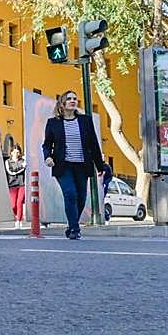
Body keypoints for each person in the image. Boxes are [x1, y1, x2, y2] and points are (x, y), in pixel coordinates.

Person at [41, 90, 103, 241]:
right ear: (62, 103)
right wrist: (48, 157)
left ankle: (71, 224)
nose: (73, 101)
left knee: (81, 197)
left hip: (82, 165)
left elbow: (94, 144)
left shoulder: (85, 121)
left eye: (75, 99)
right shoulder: (53, 122)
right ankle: (75, 229)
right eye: (69, 99)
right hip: (63, 166)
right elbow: (47, 144)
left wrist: (100, 167)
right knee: (70, 194)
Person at [5, 145, 26, 229]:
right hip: (12, 185)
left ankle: (19, 221)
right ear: (11, 152)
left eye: (18, 152)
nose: (16, 154)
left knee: (19, 202)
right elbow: (11, 172)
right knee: (13, 205)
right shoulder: (8, 162)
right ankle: (17, 216)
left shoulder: (23, 161)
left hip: (22, 184)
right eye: (14, 152)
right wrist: (22, 167)